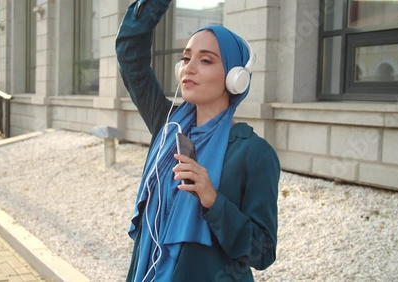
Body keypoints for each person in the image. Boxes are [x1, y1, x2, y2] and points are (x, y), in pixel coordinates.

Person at [116, 0, 280, 281]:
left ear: (234, 77)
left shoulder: (253, 153)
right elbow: (130, 56)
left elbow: (262, 252)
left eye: (205, 60)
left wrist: (213, 200)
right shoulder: (167, 124)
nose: (188, 68)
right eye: (186, 57)